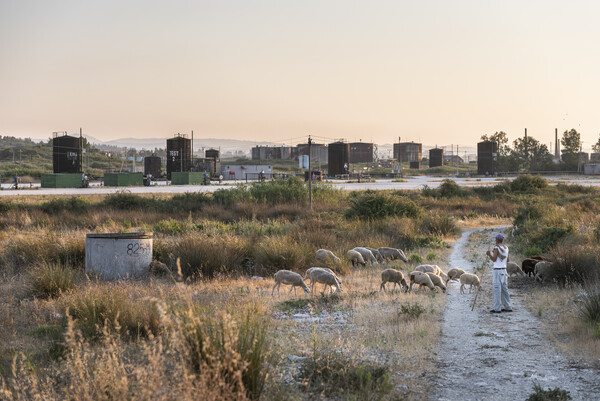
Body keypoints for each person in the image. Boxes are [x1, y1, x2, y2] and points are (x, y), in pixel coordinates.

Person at [485, 233, 512, 313]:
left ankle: (497, 308)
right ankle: (508, 307)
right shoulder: (506, 248)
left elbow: (494, 259)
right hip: (504, 270)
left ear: (497, 239)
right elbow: (507, 260)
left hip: (497, 271)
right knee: (504, 289)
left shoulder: (496, 247)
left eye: (495, 239)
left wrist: (489, 254)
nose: (495, 240)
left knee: (497, 290)